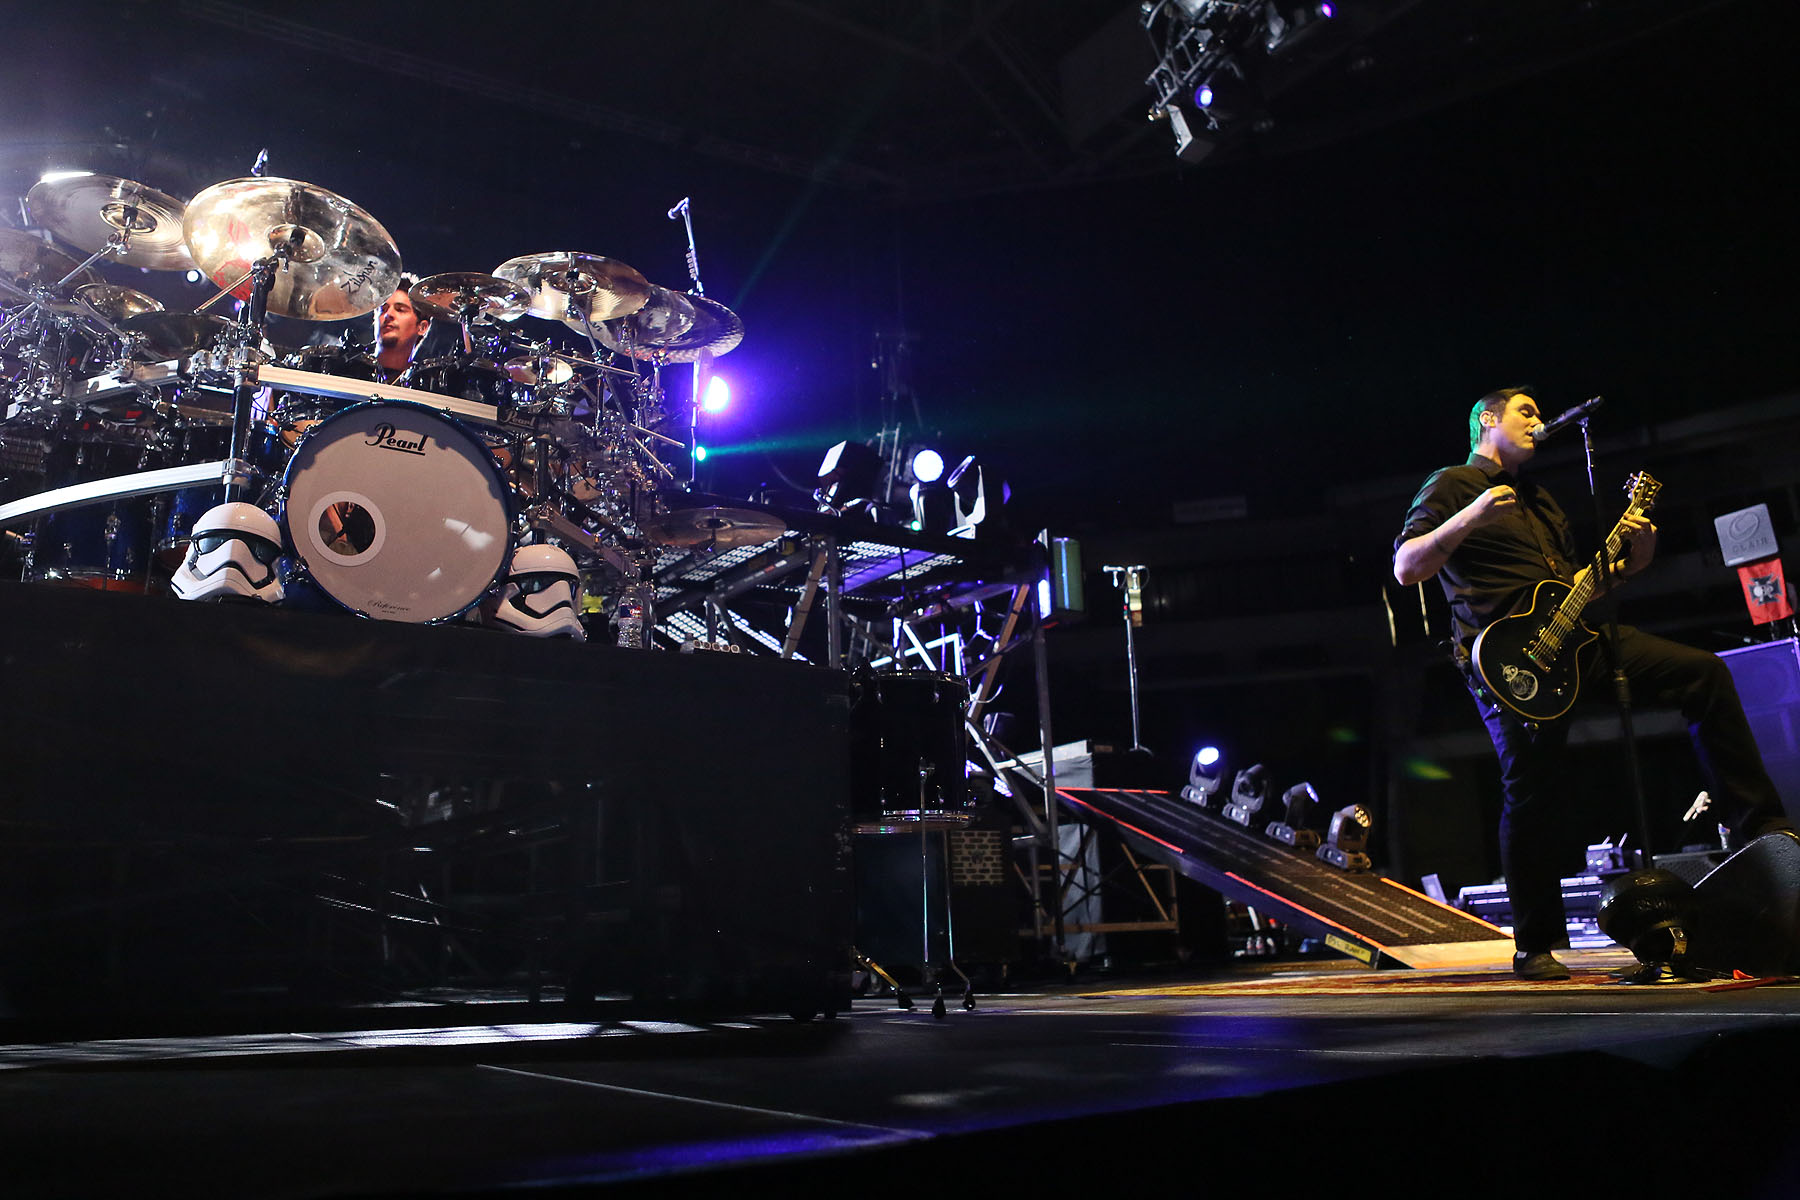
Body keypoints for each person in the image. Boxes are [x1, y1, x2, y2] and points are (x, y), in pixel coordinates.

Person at [1394, 386, 1792, 981]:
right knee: (1531, 791)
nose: (1537, 420)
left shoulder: (1542, 501)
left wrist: (1633, 561)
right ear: (1488, 420)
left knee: (1703, 672)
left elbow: (1580, 588)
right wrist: (1473, 514)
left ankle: (1759, 828)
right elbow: (1408, 567)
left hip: (1576, 642)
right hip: (1509, 661)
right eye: (1525, 411)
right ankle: (1535, 944)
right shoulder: (1452, 484)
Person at [372, 278, 432, 383]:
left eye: (400, 309)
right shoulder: (352, 367)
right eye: (383, 309)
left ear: (422, 327)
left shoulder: (424, 383)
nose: (388, 315)